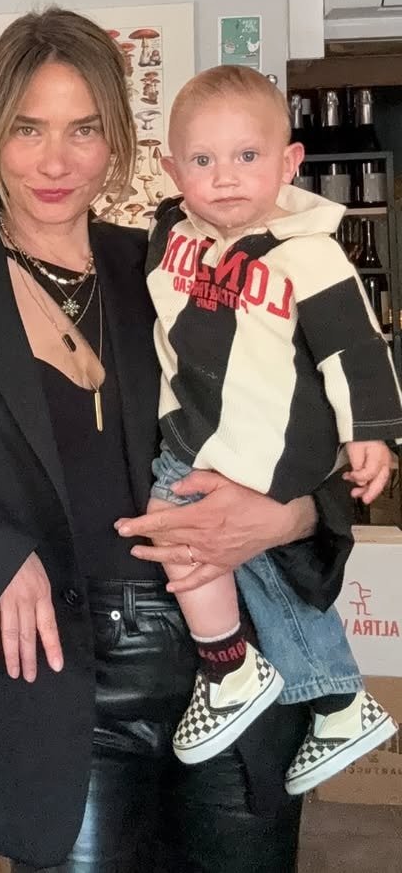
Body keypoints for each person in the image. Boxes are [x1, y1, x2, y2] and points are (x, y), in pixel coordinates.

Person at [0, 8, 354, 873]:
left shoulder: (181, 270)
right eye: (28, 129)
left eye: (83, 130)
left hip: (235, 666)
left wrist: (284, 519)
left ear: (118, 140)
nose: (55, 162)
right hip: (58, 685)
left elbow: (324, 433)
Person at [144, 66, 399, 789]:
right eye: (203, 159)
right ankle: (341, 703)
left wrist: (369, 432)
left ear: (289, 162)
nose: (225, 176)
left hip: (265, 445)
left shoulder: (308, 251)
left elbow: (355, 346)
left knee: (174, 525)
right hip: (213, 434)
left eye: (247, 156)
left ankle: (228, 667)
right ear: (173, 170)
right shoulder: (175, 237)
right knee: (268, 571)